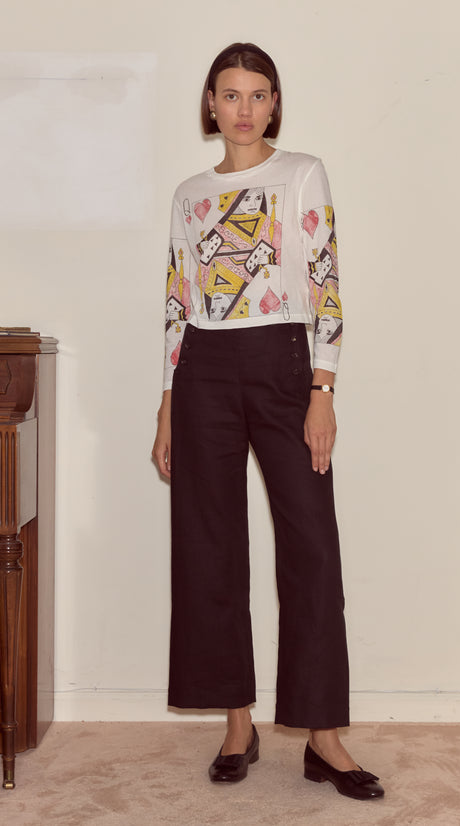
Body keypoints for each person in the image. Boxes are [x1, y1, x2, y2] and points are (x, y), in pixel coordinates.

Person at [152, 42, 384, 802]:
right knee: (210, 548)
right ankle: (237, 723)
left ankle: (323, 736)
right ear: (210, 105)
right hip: (204, 374)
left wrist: (324, 386)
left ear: (274, 104)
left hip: (286, 363)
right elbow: (179, 301)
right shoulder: (189, 194)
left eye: (258, 94)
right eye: (230, 94)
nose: (244, 109)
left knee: (312, 546)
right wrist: (166, 403)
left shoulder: (300, 173)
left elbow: (325, 277)